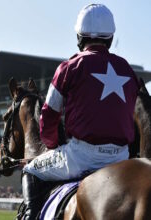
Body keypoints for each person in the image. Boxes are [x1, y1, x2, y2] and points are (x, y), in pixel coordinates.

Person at [21, 4, 140, 219]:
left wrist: (52, 145)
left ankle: (29, 215)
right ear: (110, 38)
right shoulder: (128, 70)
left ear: (79, 37)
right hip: (122, 157)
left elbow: (48, 118)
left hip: (81, 156)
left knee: (30, 170)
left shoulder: (69, 67)